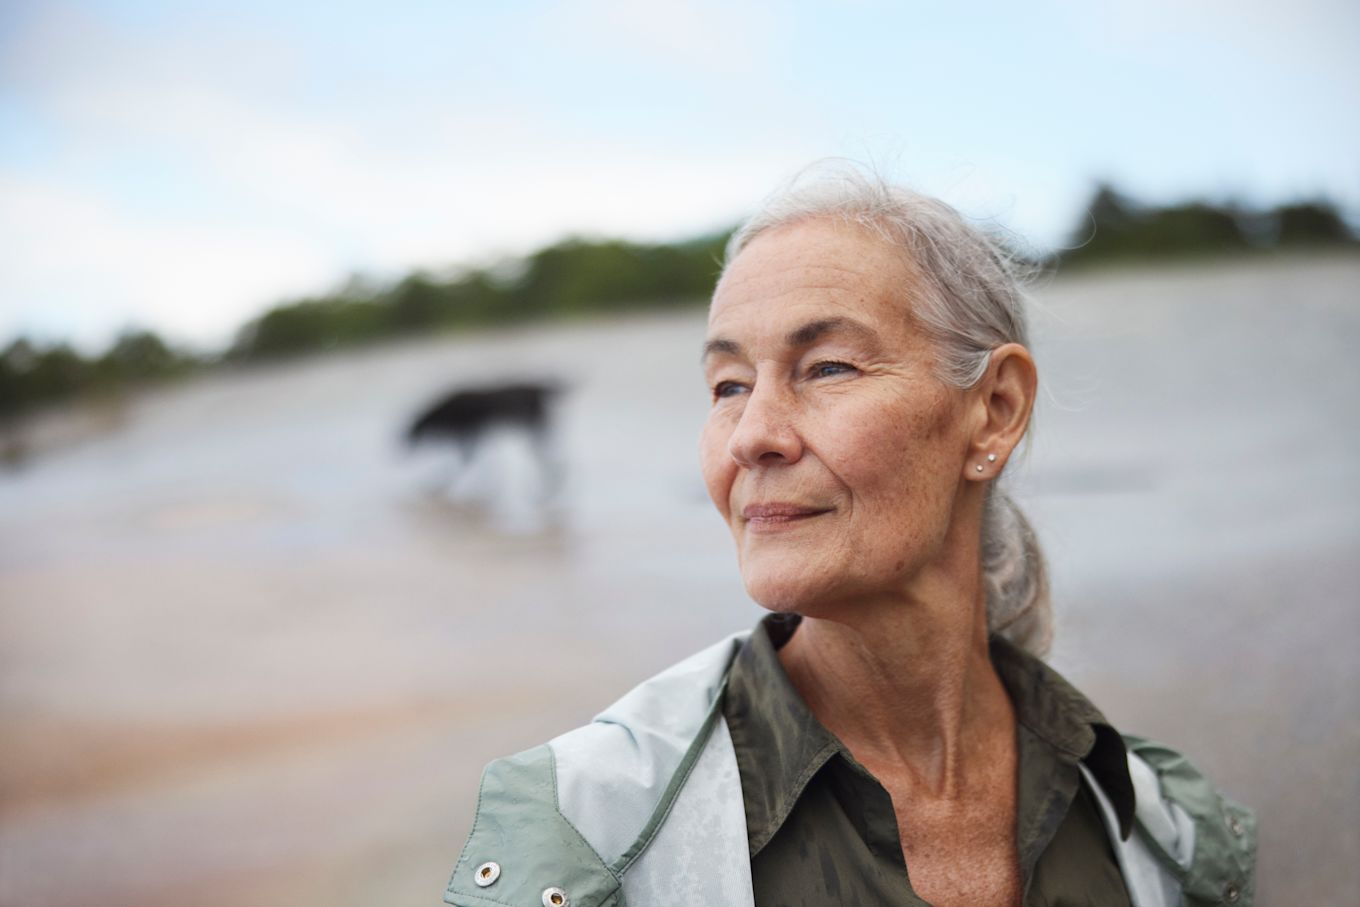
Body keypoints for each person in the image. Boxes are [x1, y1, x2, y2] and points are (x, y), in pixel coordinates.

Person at [441, 164, 1256, 907]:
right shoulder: (586, 835)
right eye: (728, 384)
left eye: (827, 367)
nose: (750, 435)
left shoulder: (1163, 827)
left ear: (995, 410)